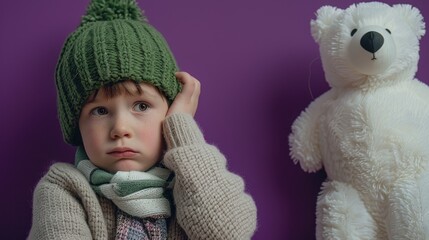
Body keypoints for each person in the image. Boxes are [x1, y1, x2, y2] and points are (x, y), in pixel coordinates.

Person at [28, 0, 257, 239]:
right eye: (100, 111)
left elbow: (225, 233)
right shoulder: (64, 189)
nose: (120, 129)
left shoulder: (190, 185)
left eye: (141, 106)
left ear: (168, 112)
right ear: (77, 125)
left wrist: (181, 127)